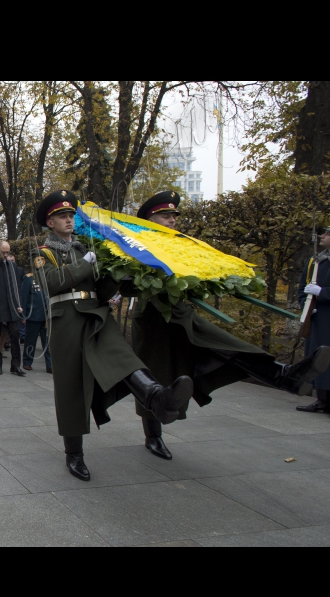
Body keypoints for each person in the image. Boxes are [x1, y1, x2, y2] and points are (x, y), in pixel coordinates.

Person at [129, 192, 330, 460]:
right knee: (156, 373)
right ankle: (153, 436)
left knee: (225, 345)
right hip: (152, 315)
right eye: (165, 216)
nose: (172, 220)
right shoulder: (131, 242)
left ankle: (284, 374)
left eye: (174, 216)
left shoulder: (180, 243)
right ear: (149, 218)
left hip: (180, 311)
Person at [35, 190, 195, 482]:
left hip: (96, 313)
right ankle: (74, 453)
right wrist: (86, 263)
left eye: (71, 215)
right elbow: (53, 283)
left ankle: (157, 397)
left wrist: (124, 276)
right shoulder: (44, 254)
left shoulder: (87, 248)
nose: (69, 220)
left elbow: (104, 287)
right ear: (50, 223)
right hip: (67, 320)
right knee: (72, 387)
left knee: (122, 356)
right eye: (62, 216)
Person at [298, 227, 330, 413]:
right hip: (318, 318)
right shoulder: (315, 261)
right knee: (319, 358)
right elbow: (303, 287)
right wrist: (307, 305)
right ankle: (322, 400)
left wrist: (323, 293)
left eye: (327, 234)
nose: (322, 236)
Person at [0, 242, 26, 377]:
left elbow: (17, 288)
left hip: (12, 308)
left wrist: (19, 304)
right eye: (3, 252)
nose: (5, 255)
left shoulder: (13, 265)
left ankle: (15, 366)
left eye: (7, 252)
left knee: (15, 336)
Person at [21, 270, 52, 374]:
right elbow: (24, 297)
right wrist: (23, 315)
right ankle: (27, 362)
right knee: (31, 340)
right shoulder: (29, 278)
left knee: (47, 342)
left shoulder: (50, 277)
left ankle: (50, 365)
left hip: (47, 316)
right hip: (33, 314)